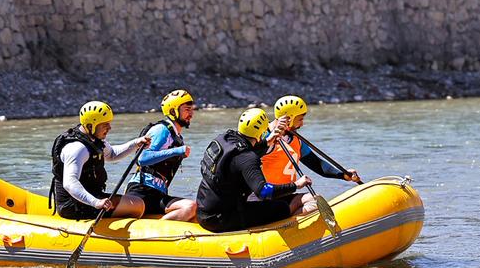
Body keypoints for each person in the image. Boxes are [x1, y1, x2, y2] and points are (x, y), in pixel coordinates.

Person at [196, 106, 316, 234]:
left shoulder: (225, 139)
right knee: (281, 207)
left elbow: (244, 152)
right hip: (220, 219)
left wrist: (268, 141)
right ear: (261, 132)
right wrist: (296, 185)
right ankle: (291, 233)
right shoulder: (248, 158)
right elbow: (264, 191)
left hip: (204, 210)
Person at [50, 100, 150, 221]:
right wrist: (96, 202)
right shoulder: (77, 149)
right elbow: (70, 183)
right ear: (90, 126)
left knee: (138, 203)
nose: (109, 128)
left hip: (91, 198)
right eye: (105, 125)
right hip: (73, 205)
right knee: (137, 206)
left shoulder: (93, 139)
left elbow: (112, 154)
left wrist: (136, 144)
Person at [262, 94, 361, 188]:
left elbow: (317, 164)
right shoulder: (262, 137)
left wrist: (342, 174)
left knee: (313, 199)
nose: (302, 124)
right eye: (300, 119)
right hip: (265, 195)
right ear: (289, 119)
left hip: (287, 194)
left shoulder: (296, 140)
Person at [128, 88, 198, 220]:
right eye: (187, 109)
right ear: (173, 111)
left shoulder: (177, 136)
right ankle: (154, 230)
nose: (191, 114)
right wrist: (177, 151)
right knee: (190, 207)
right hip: (142, 190)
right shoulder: (161, 130)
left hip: (158, 194)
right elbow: (142, 158)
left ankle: (160, 227)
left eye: (191, 109)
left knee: (192, 208)